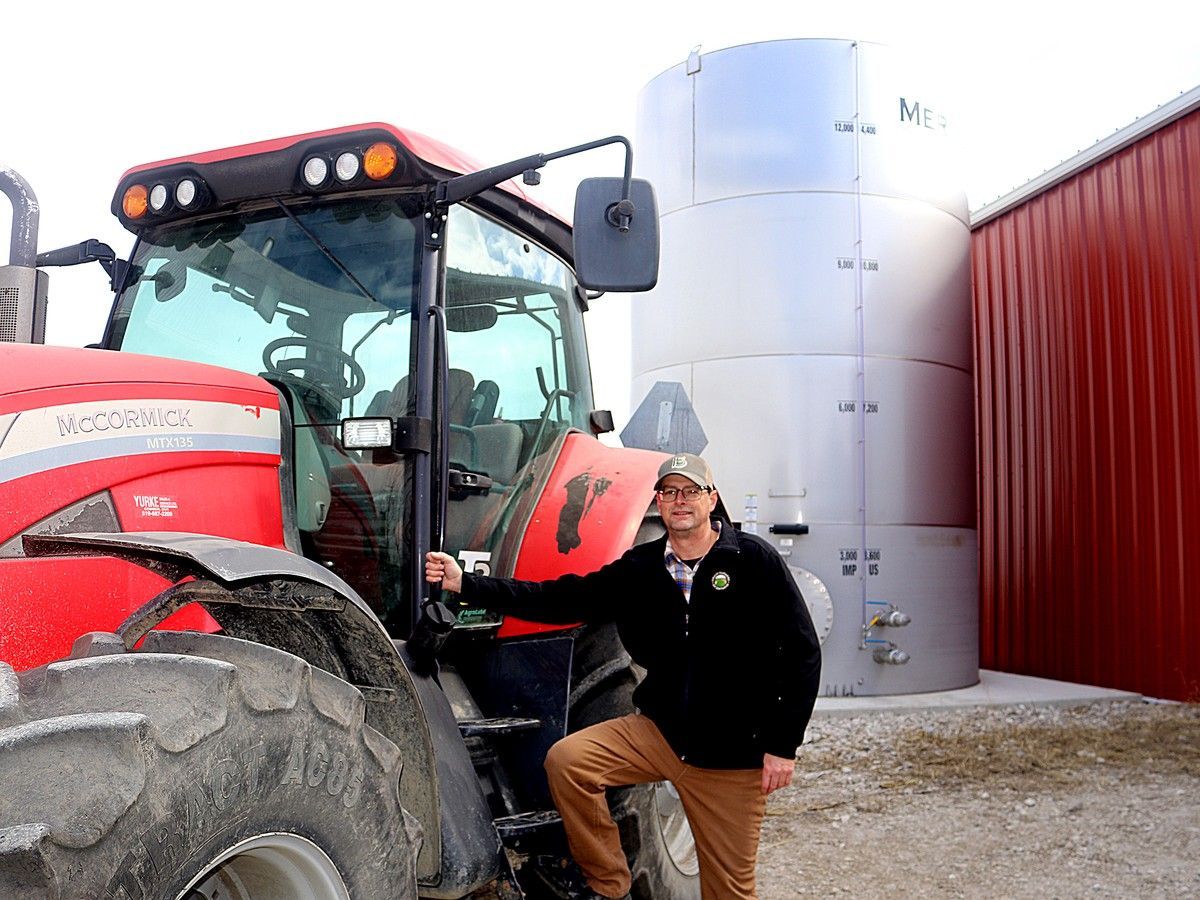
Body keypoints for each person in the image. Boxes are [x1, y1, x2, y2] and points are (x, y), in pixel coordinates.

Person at [425, 452, 822, 900]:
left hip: (730, 757)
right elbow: (562, 599)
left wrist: (782, 746)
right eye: (669, 492)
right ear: (659, 500)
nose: (679, 500)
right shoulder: (642, 567)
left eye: (691, 491)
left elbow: (803, 654)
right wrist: (468, 584)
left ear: (711, 499)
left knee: (730, 892)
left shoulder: (753, 562)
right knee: (569, 761)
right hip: (660, 734)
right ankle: (609, 885)